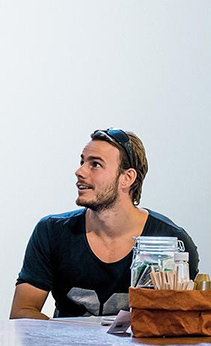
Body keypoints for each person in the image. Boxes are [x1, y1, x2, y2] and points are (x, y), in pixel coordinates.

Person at [10, 129, 199, 319]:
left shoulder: (172, 243)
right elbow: (22, 312)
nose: (80, 172)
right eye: (82, 162)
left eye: (95, 164)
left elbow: (180, 322)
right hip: (66, 340)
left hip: (139, 340)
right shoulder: (52, 231)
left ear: (127, 178)